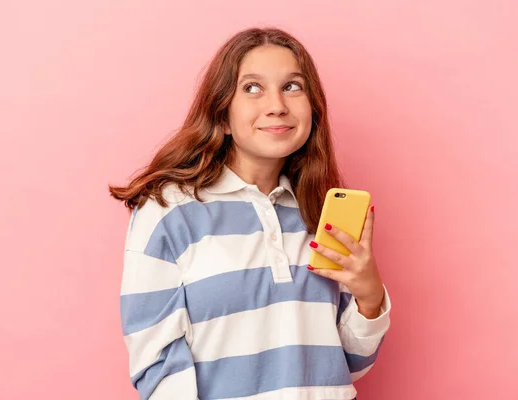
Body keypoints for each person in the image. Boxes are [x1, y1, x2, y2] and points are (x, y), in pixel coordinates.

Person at [109, 26, 391, 400]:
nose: (277, 105)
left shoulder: (318, 213)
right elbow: (155, 361)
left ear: (313, 110)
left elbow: (347, 365)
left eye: (292, 86)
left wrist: (370, 298)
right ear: (222, 115)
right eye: (252, 88)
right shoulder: (168, 210)